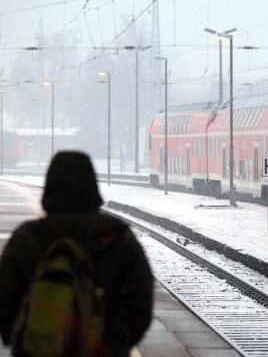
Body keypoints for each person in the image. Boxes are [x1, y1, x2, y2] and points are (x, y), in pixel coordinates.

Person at [0, 151, 154, 357]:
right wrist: (118, 341)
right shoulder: (117, 236)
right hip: (104, 349)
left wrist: (21, 340)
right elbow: (141, 300)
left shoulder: (27, 238)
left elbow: (5, 299)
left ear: (49, 186)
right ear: (92, 185)